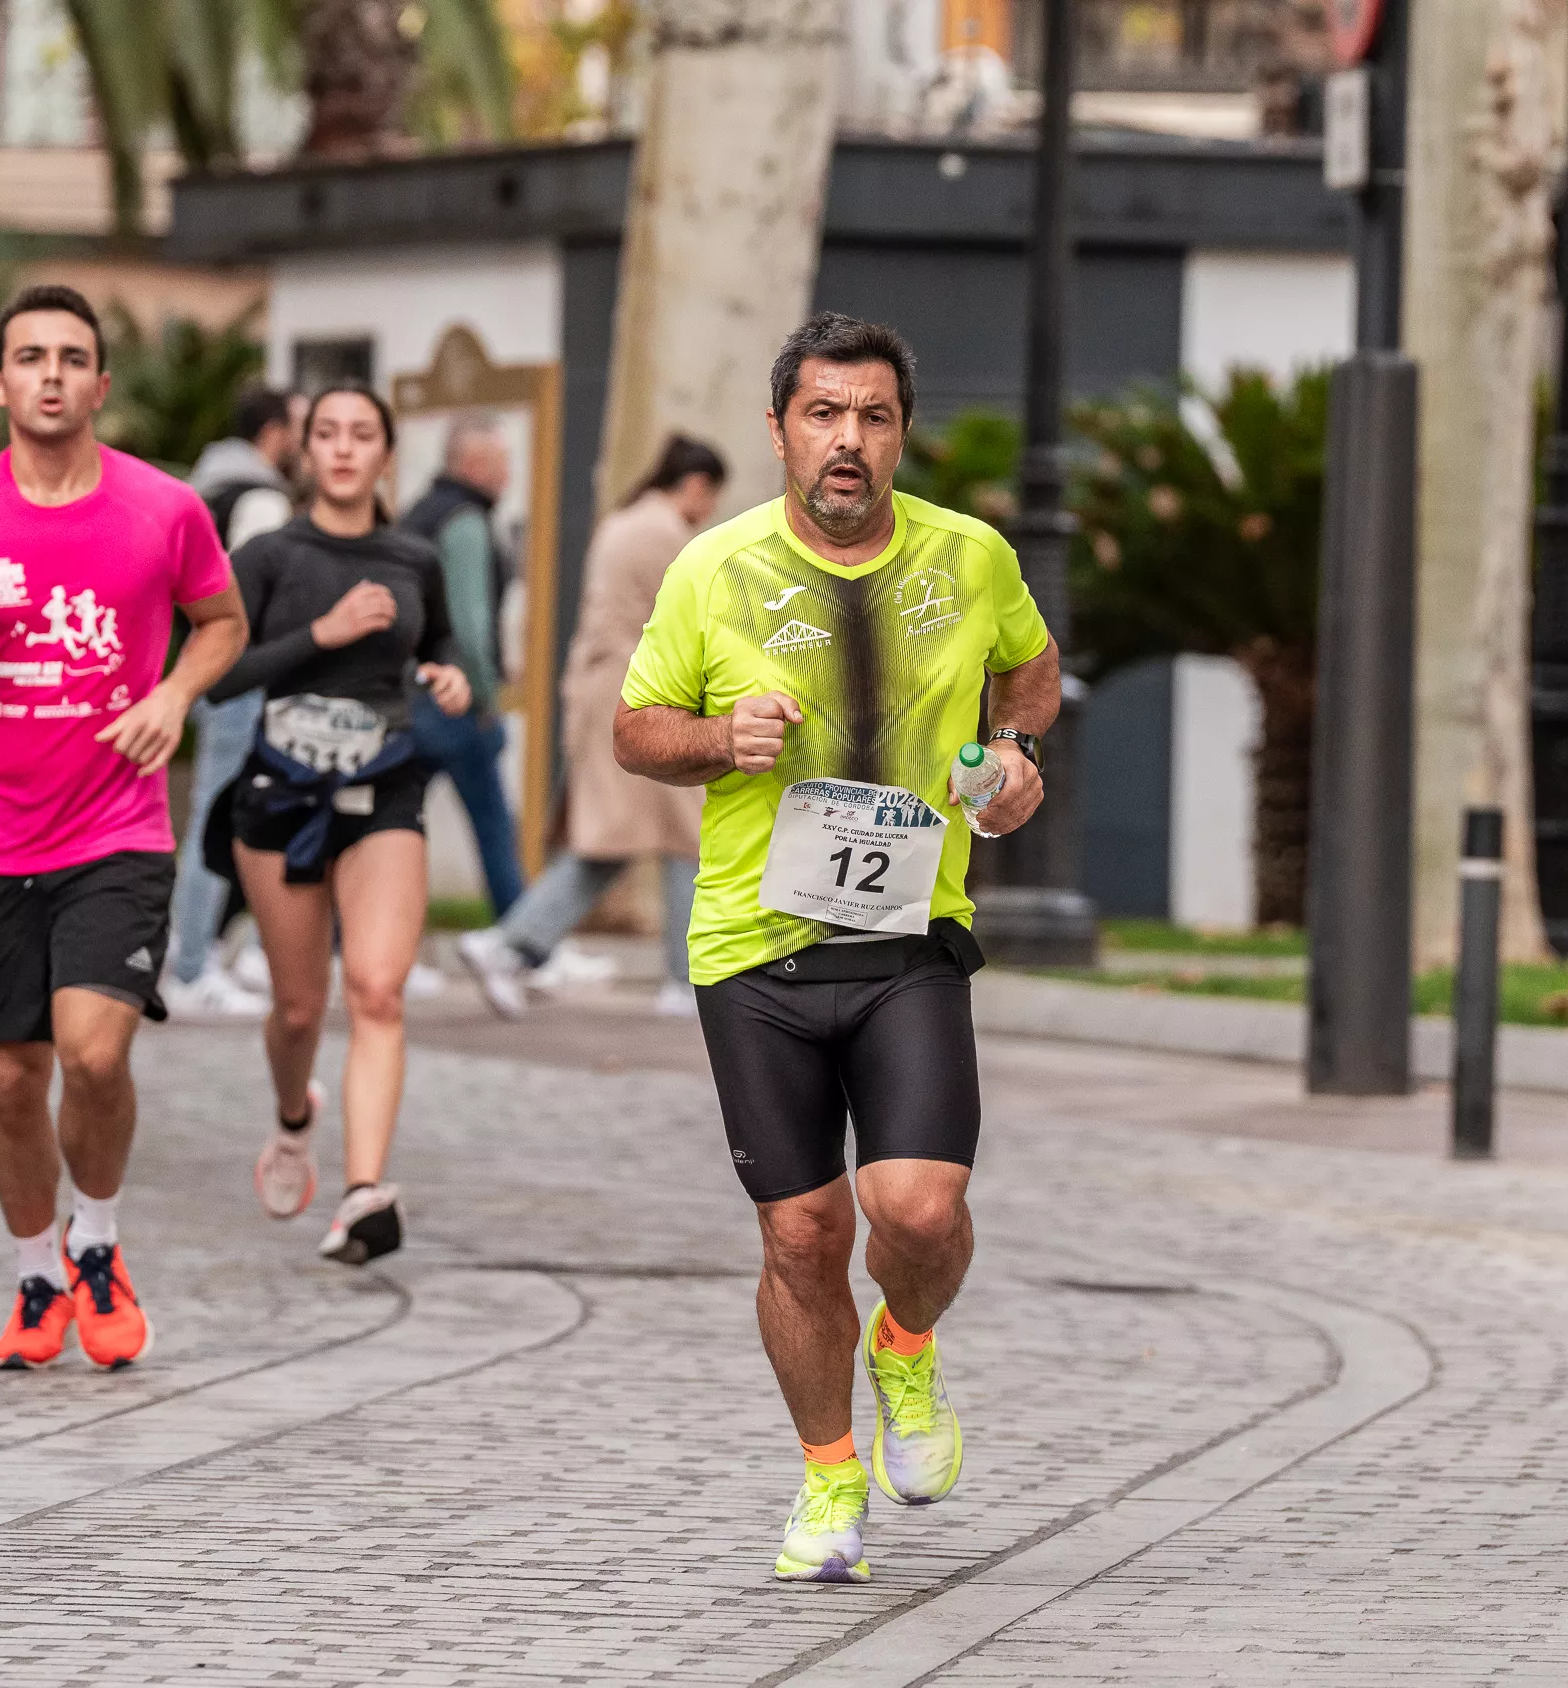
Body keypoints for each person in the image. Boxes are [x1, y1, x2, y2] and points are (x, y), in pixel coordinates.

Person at [614, 313, 1054, 1584]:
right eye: (823, 415)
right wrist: (717, 736)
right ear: (779, 432)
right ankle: (826, 1475)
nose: (846, 441)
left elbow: (1031, 673)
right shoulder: (713, 569)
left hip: (911, 935)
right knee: (801, 1234)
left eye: (871, 416)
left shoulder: (970, 558)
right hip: (753, 948)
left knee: (917, 1205)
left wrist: (1023, 758)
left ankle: (905, 1343)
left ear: (902, 432)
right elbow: (638, 730)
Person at [0, 283, 244, 1372]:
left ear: (100, 385)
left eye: (73, 356)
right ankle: (35, 1271)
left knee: (93, 1052)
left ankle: (98, 1241)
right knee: (11, 1078)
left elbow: (223, 621)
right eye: (31, 356)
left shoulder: (163, 508)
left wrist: (170, 696)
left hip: (116, 830)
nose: (52, 373)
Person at [201, 381, 469, 1260]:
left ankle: (363, 1193)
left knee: (379, 993)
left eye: (363, 434)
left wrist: (449, 677)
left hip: (383, 792)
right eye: (328, 433)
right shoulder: (273, 555)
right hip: (281, 795)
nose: (346, 448)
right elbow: (217, 673)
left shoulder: (413, 557)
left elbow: (440, 646)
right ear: (304, 451)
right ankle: (292, 1115)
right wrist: (324, 631)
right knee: (298, 1008)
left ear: (388, 454)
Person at [461, 434, 726, 1019]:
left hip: (613, 691)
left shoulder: (626, 523)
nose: (711, 511)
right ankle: (684, 981)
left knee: (612, 843)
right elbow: (705, 623)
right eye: (711, 498)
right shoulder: (665, 535)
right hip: (647, 697)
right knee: (681, 838)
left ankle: (514, 944)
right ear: (696, 485)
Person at [163, 386, 305, 1021]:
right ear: (274, 433)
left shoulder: (205, 486)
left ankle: (201, 952)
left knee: (223, 819)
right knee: (218, 823)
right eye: (303, 427)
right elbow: (258, 597)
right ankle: (192, 967)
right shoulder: (262, 499)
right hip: (241, 679)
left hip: (202, 670)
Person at [399, 413, 523, 916]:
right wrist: (486, 700)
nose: (507, 477)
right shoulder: (466, 521)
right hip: (453, 698)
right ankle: (522, 941)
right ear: (473, 464)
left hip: (407, 693)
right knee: (494, 823)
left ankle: (350, 942)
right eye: (501, 464)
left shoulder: (417, 514)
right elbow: (471, 621)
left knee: (395, 825)